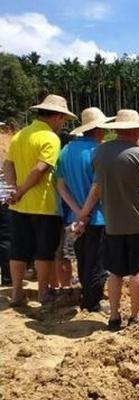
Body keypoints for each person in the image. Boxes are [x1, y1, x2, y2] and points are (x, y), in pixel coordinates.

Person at [87, 109, 139, 331]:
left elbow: (99, 183)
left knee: (115, 272)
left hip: (112, 223)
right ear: (136, 130)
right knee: (136, 272)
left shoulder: (99, 153)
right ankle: (134, 316)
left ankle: (114, 317)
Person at [4, 95, 77, 306]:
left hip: (19, 206)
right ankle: (44, 293)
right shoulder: (50, 138)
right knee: (44, 252)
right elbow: (41, 168)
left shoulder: (20, 135)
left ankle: (17, 294)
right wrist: (22, 190)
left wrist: (13, 191)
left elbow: (8, 165)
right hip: (44, 205)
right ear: (57, 117)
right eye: (62, 119)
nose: (62, 124)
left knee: (18, 250)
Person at [56, 107, 112, 312]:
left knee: (83, 259)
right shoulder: (99, 151)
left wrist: (77, 212)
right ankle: (93, 302)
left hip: (74, 217)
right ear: (97, 129)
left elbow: (60, 186)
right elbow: (96, 189)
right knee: (98, 262)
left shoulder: (66, 150)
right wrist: (86, 213)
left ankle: (86, 298)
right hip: (97, 217)